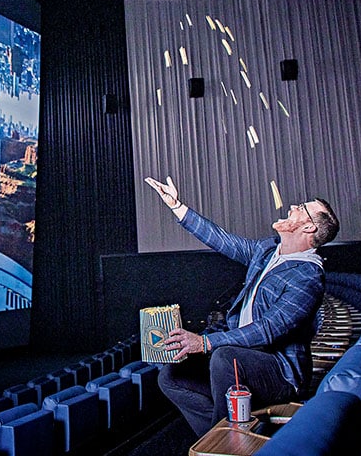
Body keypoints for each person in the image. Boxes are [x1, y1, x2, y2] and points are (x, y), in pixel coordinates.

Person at [144, 175, 339, 436]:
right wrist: (177, 206)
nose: (293, 207)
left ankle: (225, 439)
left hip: (279, 372)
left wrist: (205, 343)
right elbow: (224, 241)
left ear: (310, 229)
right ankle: (220, 438)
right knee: (171, 377)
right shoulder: (269, 250)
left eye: (301, 209)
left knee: (225, 358)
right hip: (240, 356)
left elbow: (268, 329)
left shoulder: (307, 277)